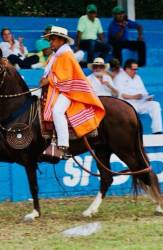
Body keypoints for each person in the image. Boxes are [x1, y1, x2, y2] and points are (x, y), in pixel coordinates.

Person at [40, 26, 105, 158]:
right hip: (59, 89)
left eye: (52, 39)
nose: (50, 42)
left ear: (61, 40)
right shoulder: (56, 55)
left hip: (71, 91)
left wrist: (48, 81)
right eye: (50, 40)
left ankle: (63, 146)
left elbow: (66, 80)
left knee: (57, 111)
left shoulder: (66, 55)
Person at [114, 59, 163, 134]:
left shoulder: (138, 77)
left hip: (140, 102)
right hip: (128, 103)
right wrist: (133, 97)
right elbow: (120, 95)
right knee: (131, 110)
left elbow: (144, 92)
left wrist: (147, 98)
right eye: (133, 69)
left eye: (136, 69)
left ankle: (157, 130)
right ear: (127, 69)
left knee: (155, 105)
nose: (135, 71)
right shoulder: (119, 78)